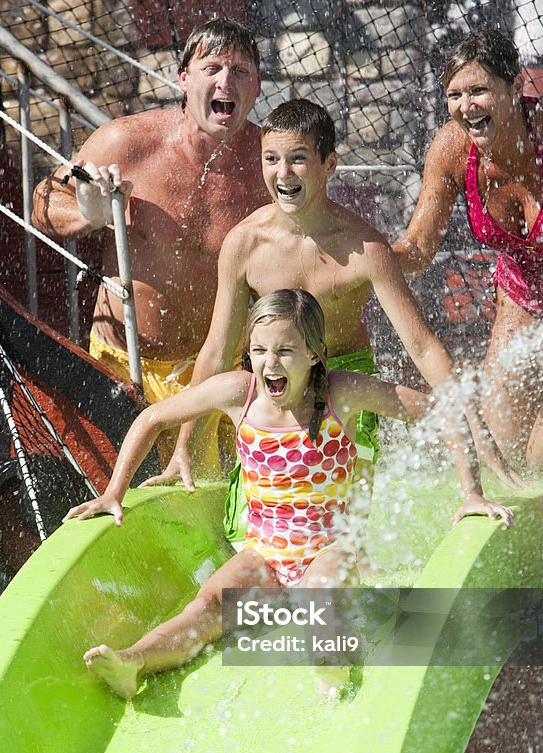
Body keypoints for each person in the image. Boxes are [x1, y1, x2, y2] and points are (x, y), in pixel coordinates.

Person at [65, 290, 513, 699]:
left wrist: (471, 492)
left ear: (315, 355)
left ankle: (332, 669)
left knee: (321, 599)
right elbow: (152, 419)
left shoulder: (343, 393)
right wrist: (113, 491)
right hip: (265, 555)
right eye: (259, 351)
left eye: (284, 351)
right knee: (205, 607)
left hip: (330, 548)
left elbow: (444, 413)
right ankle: (133, 662)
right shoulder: (238, 394)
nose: (269, 364)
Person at [148, 98, 519, 536]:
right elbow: (218, 349)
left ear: (329, 165)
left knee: (336, 527)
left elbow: (422, 347)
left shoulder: (364, 248)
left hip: (348, 386)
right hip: (275, 386)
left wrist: (474, 435)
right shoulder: (245, 244)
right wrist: (185, 445)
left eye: (298, 159)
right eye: (272, 159)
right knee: (255, 529)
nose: (283, 174)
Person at [391, 28, 543, 470]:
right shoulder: (450, 150)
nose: (466, 107)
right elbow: (419, 247)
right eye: (454, 95)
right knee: (500, 447)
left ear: (515, 87)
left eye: (479, 90)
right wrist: (366, 256)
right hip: (525, 293)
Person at [32, 18, 269, 429]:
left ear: (258, 85)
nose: (226, 82)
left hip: (217, 375)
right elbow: (44, 201)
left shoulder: (269, 163)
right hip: (122, 368)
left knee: (214, 493)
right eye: (212, 68)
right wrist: (92, 214)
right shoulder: (128, 142)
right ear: (184, 80)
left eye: (241, 70)